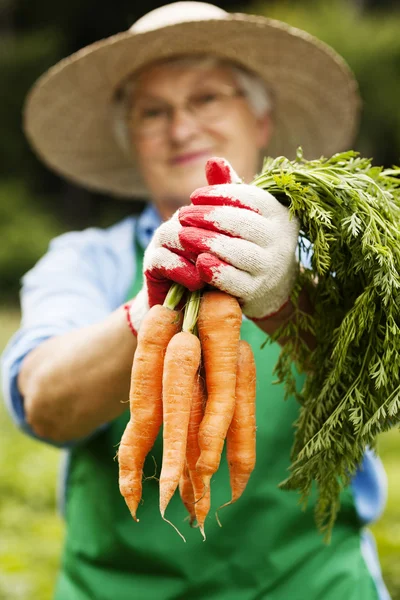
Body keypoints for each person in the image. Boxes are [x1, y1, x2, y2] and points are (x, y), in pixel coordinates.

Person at [1, 2, 391, 599]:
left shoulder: (338, 246)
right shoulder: (86, 260)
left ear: (261, 121)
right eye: (152, 112)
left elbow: (384, 384)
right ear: (131, 140)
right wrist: (146, 310)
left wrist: (288, 299)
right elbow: (43, 401)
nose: (180, 127)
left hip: (314, 585)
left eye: (206, 98)